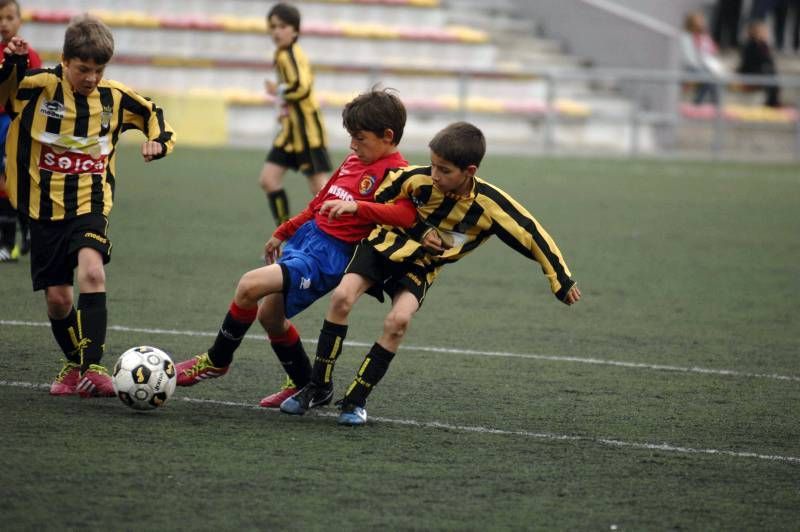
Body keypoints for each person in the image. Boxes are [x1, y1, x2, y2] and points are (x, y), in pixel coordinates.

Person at [279, 121, 582, 426]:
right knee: (342, 297)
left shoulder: (490, 205)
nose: (435, 175)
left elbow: (530, 233)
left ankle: (356, 400)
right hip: (383, 245)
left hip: (420, 265)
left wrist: (560, 279)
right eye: (433, 165)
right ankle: (318, 386)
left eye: (445, 170)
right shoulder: (415, 179)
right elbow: (381, 198)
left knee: (398, 321)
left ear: (470, 171)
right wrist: (417, 227)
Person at [175, 87, 414, 409]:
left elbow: (405, 215)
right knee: (270, 316)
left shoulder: (399, 174)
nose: (353, 145)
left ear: (388, 135)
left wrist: (358, 208)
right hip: (307, 240)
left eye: (360, 138)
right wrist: (284, 231)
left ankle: (216, 360)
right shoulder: (353, 161)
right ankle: (305, 382)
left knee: (249, 285)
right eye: (351, 138)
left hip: (330, 257)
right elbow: (320, 202)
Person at [0, 15, 175, 397]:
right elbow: (3, 96)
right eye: (83, 69)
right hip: (41, 208)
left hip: (90, 203)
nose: (92, 77)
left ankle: (94, 367)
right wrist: (12, 64)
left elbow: (152, 114)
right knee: (59, 299)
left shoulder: (113, 98)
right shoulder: (37, 88)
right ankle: (74, 365)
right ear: (64, 60)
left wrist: (158, 142)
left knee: (92, 272)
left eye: (99, 69)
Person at [259, 2, 332, 227]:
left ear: (295, 30)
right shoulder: (282, 54)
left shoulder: (289, 54)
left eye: (282, 26)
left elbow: (303, 87)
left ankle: (342, 237)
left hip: (306, 132)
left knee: (320, 189)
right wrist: (282, 106)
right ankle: (284, 235)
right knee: (269, 180)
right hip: (290, 133)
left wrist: (278, 90)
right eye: (272, 27)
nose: (276, 32)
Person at [0, 0, 41, 262]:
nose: (3, 23)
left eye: (9, 17)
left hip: (13, 125)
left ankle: (18, 234)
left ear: (20, 21)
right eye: (0, 18)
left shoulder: (30, 55)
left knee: (13, 179)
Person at [681, 10, 725, 104]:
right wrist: (702, 66)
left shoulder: (705, 37)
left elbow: (711, 52)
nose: (702, 23)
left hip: (704, 67)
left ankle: (713, 105)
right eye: (699, 21)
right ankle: (701, 104)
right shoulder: (685, 37)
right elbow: (689, 58)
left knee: (715, 78)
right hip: (690, 67)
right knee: (708, 78)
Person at [738, 19, 782, 107]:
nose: (766, 34)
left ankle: (773, 102)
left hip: (761, 72)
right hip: (750, 73)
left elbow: (769, 61)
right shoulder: (750, 45)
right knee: (769, 74)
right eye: (763, 31)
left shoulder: (764, 45)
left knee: (771, 74)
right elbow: (750, 63)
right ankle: (772, 103)